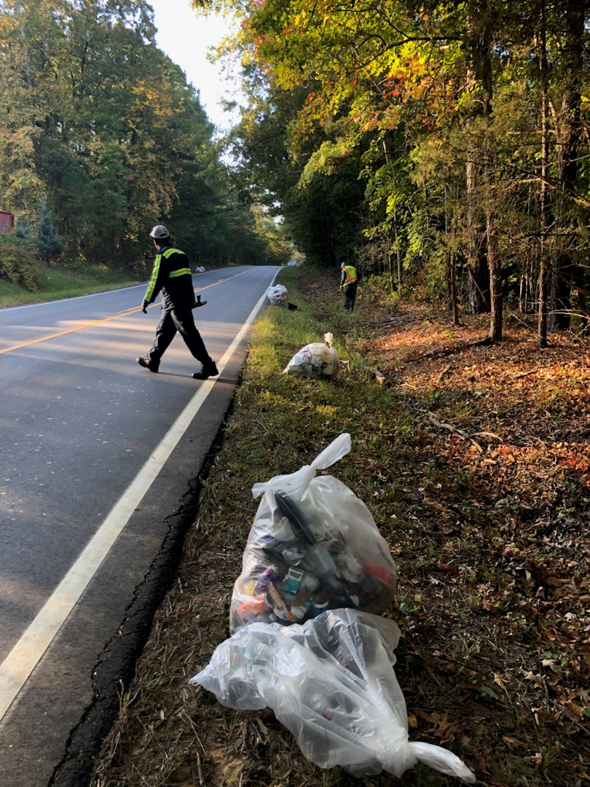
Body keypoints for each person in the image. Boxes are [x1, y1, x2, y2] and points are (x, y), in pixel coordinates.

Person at [136, 225, 218, 380]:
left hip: (175, 301)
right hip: (179, 300)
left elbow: (156, 280)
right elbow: (186, 279)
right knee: (163, 330)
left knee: (189, 333)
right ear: (168, 238)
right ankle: (153, 359)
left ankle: (208, 366)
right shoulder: (180, 254)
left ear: (155, 240)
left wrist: (147, 299)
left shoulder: (163, 255)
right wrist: (190, 299)